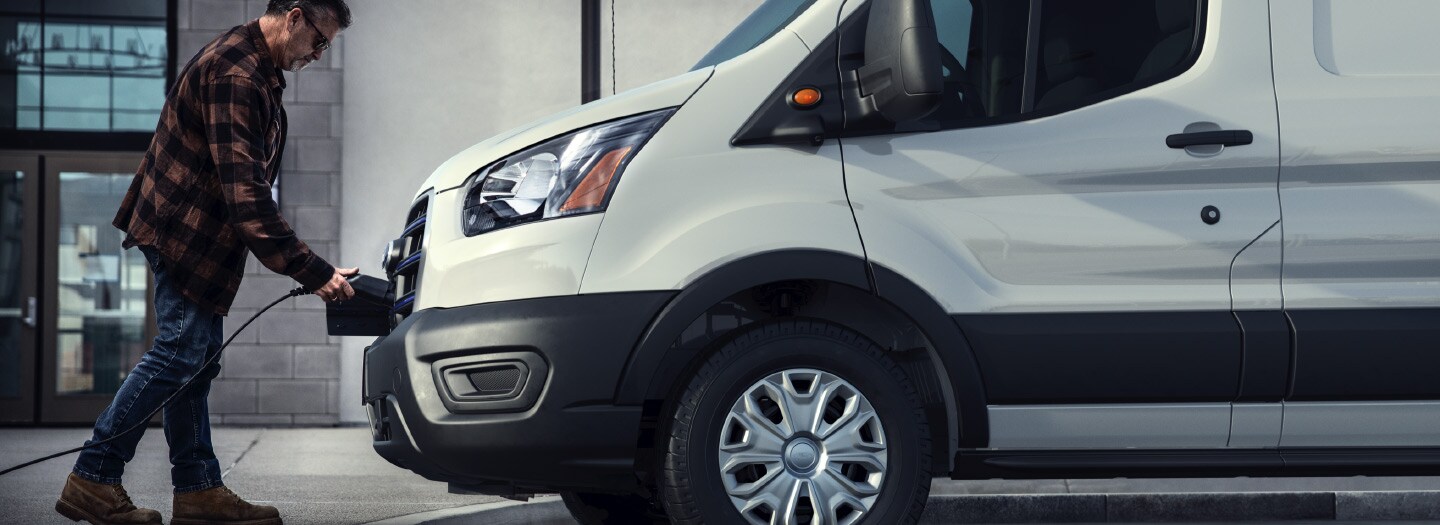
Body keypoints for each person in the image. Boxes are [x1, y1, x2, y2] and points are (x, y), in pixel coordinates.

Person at [55, 1, 354, 524]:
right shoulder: (236, 73)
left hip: (200, 238)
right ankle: (93, 476)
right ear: (296, 16)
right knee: (180, 351)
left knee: (195, 360)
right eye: (320, 40)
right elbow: (248, 197)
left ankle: (197, 491)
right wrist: (315, 271)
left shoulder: (257, 69)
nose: (319, 55)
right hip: (184, 234)